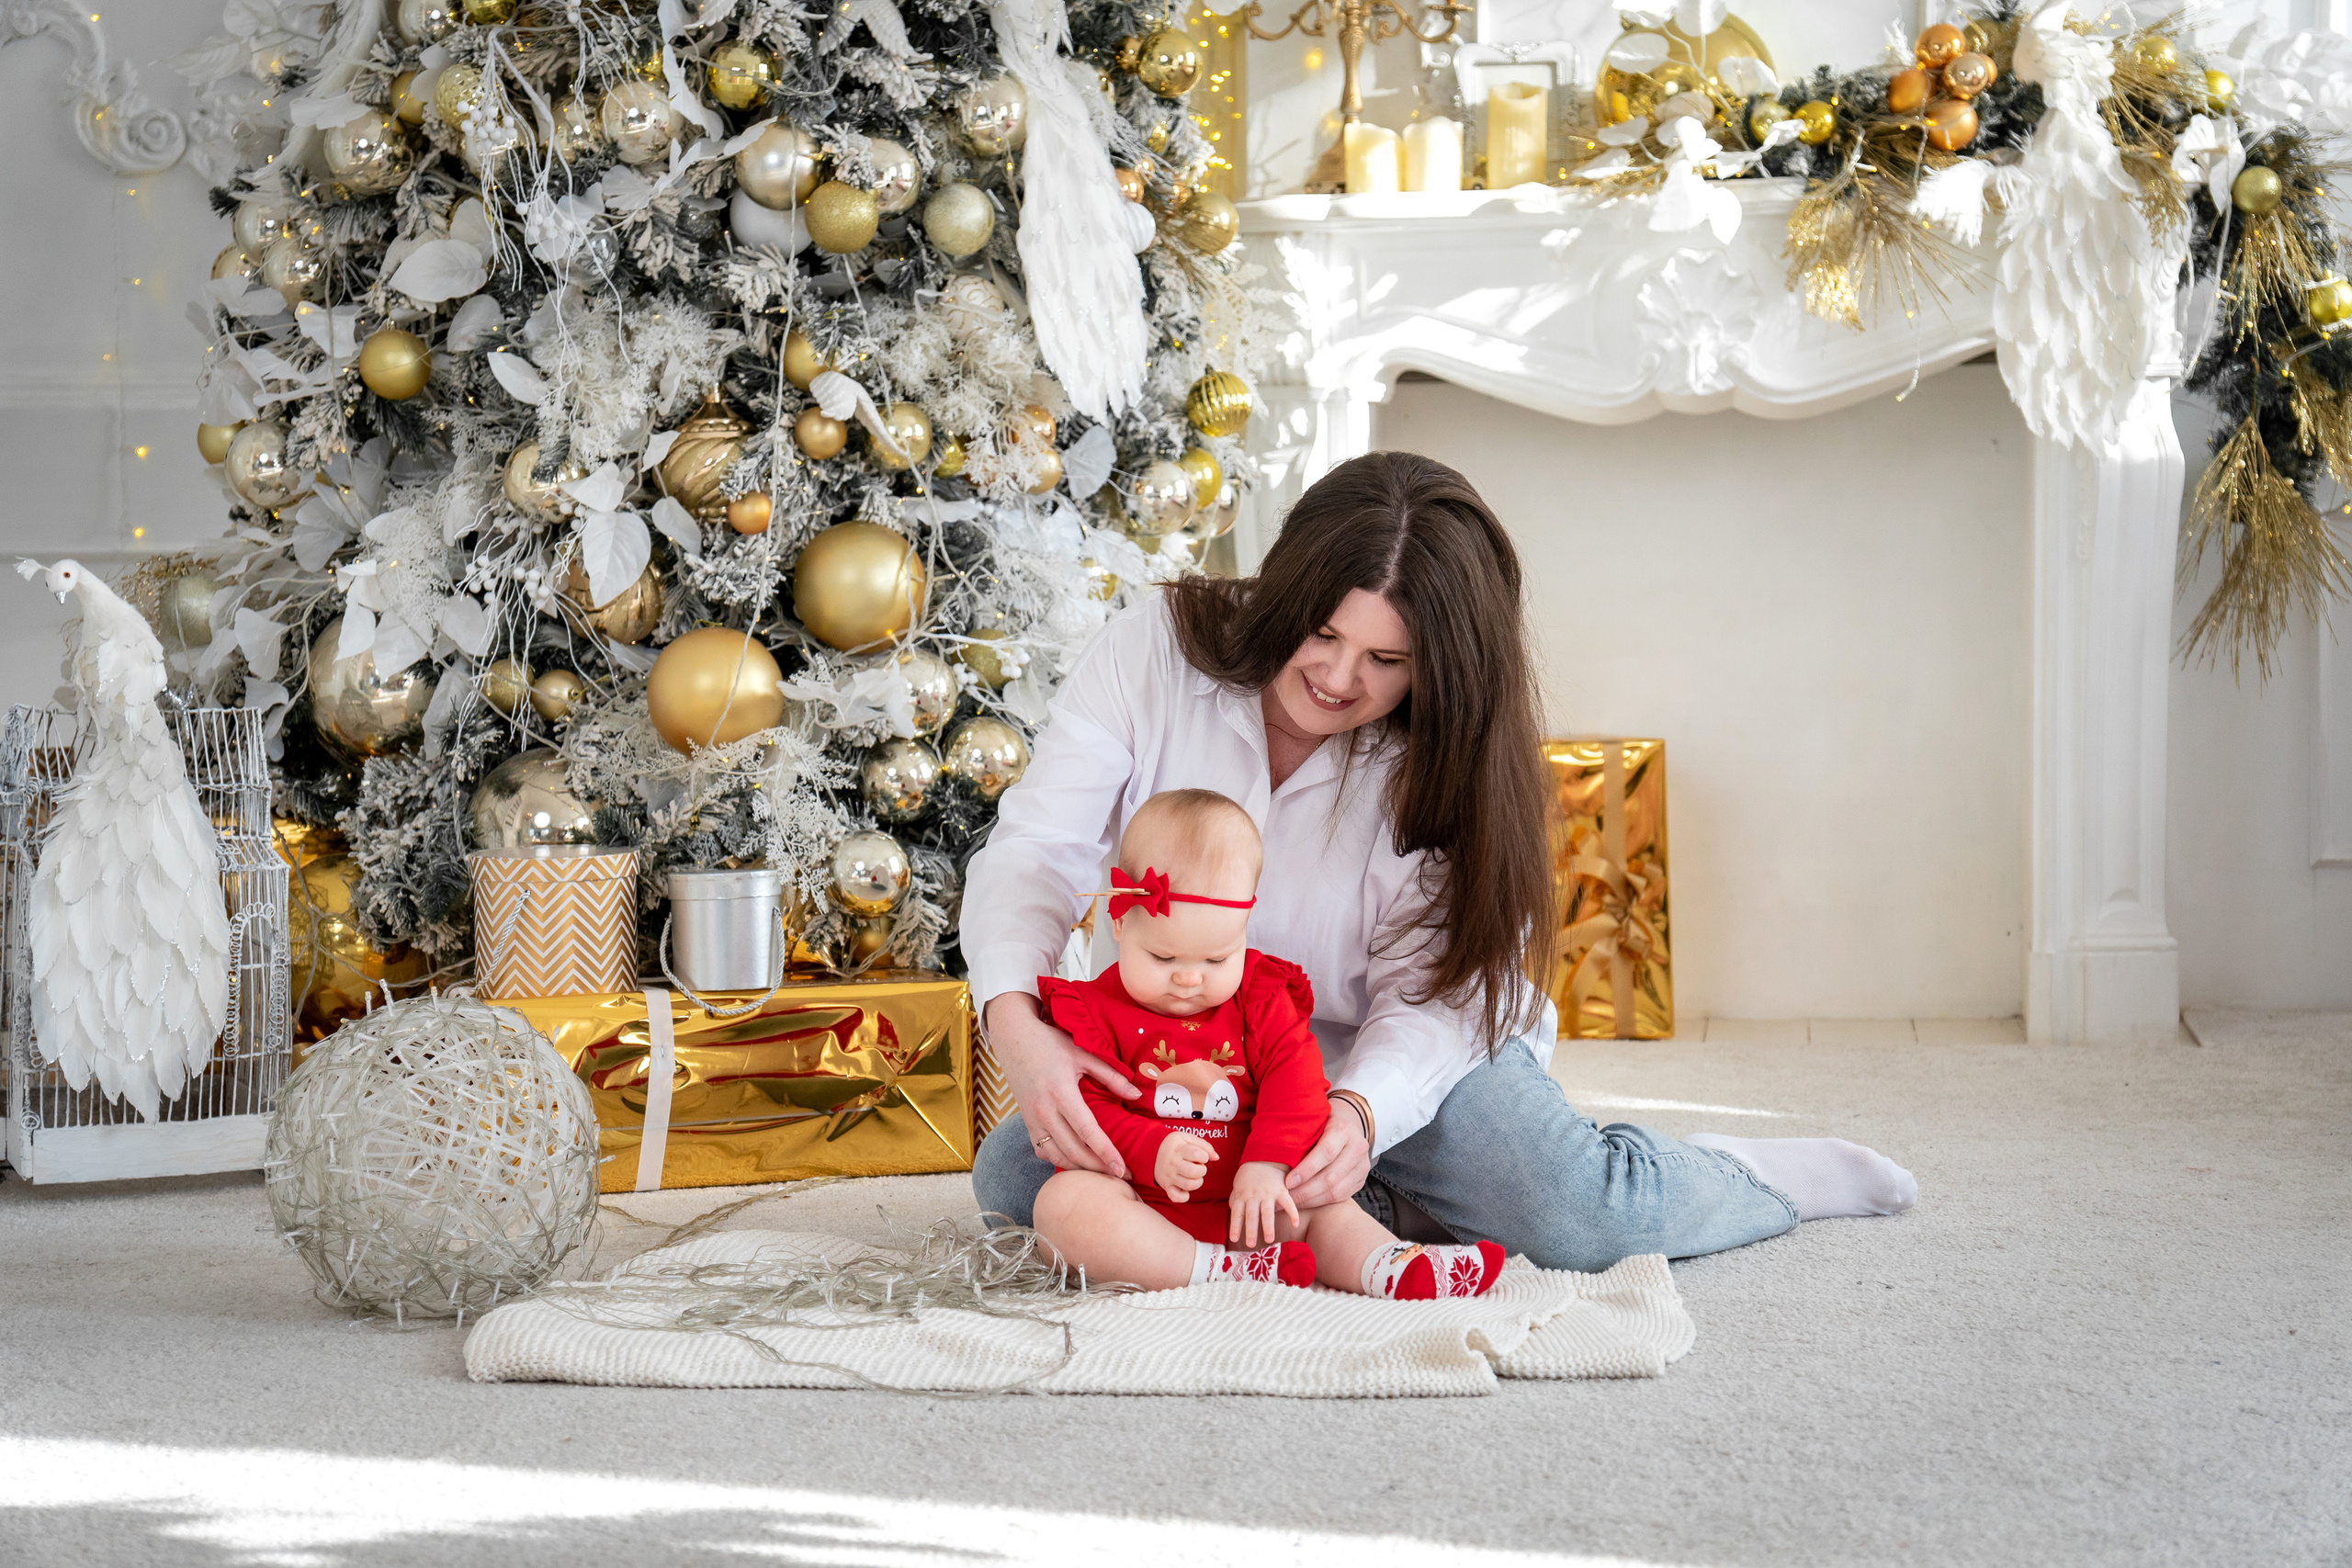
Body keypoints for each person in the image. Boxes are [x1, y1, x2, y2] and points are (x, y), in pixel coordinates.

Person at [962, 450, 1916, 1274]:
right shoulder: (1153, 654)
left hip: (1390, 1052)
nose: (1339, 680)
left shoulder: (1447, 760)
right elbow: (1040, 852)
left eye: (1388, 661)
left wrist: (1357, 1117)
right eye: (1323, 633)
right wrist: (1022, 1027)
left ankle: (1740, 1176)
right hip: (1193, 1043)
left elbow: (1435, 998)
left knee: (1577, 1218)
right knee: (1015, 1177)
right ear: (1286, 591)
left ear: (1439, 666)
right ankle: (1384, 1211)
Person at [1030, 787, 1506, 1298]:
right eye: (1164, 959)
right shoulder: (1095, 1010)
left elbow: (1297, 1084)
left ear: (1243, 929)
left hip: (1253, 1199)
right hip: (1143, 1202)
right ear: (1119, 923)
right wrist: (1153, 1150)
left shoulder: (1259, 996)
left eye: (1216, 960)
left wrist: (1267, 1166)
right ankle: (1218, 1270)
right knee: (1062, 1207)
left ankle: (1388, 1265)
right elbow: (1087, 1107)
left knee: (1320, 1212)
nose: (1189, 979)